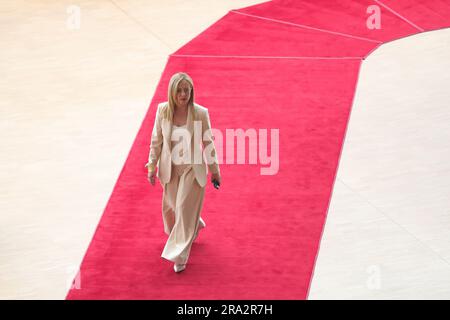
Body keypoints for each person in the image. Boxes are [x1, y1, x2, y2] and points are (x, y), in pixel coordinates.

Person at [145, 72, 221, 273]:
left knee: (182, 208)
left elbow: (208, 142)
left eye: (187, 90)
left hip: (191, 169)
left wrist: (215, 171)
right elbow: (156, 141)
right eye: (179, 90)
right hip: (170, 169)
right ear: (172, 91)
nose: (183, 94)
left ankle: (180, 255)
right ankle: (193, 223)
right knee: (171, 210)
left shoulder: (200, 113)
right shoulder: (162, 111)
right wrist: (151, 166)